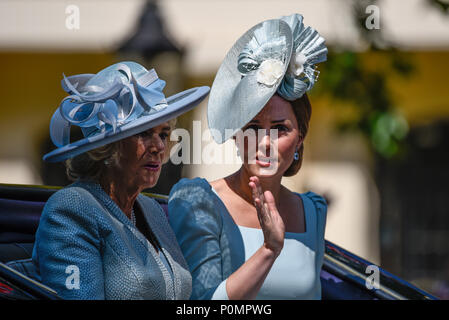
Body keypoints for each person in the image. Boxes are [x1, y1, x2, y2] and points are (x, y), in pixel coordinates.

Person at [168, 14, 328, 300]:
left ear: (300, 139)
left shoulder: (313, 211)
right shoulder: (196, 200)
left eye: (280, 128)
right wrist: (269, 250)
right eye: (253, 127)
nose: (265, 142)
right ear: (234, 134)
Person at [31, 61, 210, 299]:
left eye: (164, 134)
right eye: (144, 133)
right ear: (107, 147)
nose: (158, 146)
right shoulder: (71, 208)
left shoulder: (151, 209)